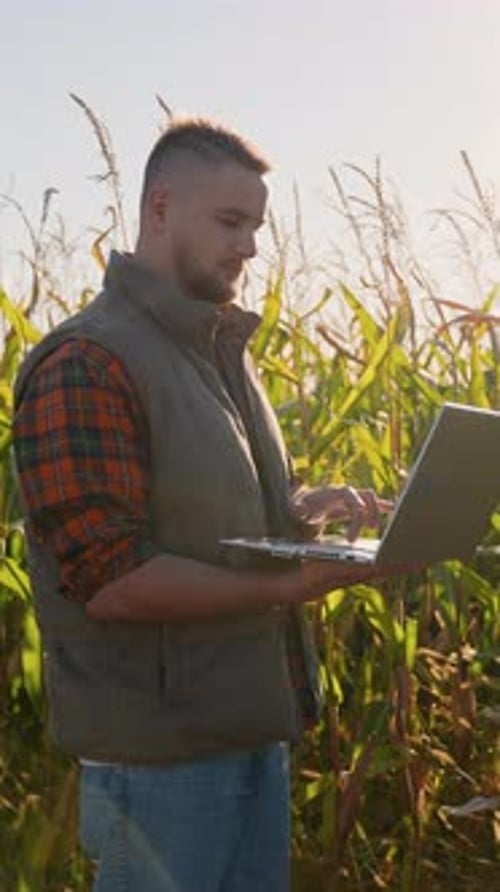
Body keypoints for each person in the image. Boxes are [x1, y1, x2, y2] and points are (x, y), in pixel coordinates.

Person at [13, 119, 401, 892]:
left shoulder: (217, 353)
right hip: (158, 768)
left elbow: (198, 521)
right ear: (159, 208)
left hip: (250, 730)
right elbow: (110, 578)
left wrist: (297, 514)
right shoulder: (87, 361)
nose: (251, 247)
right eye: (231, 222)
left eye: (256, 224)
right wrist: (288, 587)